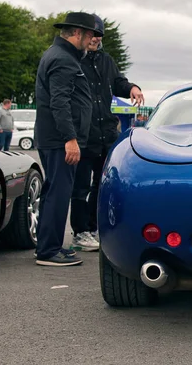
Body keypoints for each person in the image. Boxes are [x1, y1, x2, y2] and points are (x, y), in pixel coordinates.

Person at [33, 12, 103, 266]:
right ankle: (48, 251)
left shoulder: (60, 55)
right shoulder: (63, 59)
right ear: (77, 33)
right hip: (59, 140)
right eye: (89, 35)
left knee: (55, 192)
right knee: (58, 194)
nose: (91, 40)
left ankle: (47, 246)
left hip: (54, 138)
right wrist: (70, 139)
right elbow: (59, 102)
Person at [69, 14, 144, 251]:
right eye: (92, 35)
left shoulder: (106, 61)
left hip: (106, 133)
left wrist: (132, 87)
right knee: (80, 187)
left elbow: (119, 82)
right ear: (84, 35)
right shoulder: (73, 60)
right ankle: (80, 232)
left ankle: (94, 227)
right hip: (84, 134)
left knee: (101, 185)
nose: (95, 39)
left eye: (99, 35)